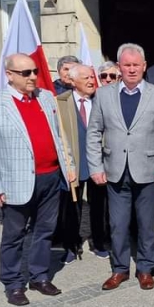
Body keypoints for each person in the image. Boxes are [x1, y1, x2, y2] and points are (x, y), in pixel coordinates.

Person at [0, 54, 76, 306]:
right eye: (25, 73)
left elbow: (59, 136)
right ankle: (13, 284)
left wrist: (69, 166)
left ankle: (39, 276)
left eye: (34, 71)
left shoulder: (46, 97)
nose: (32, 77)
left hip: (51, 177)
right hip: (16, 182)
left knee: (45, 231)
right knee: (14, 236)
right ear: (9, 75)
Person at [87, 43, 154, 291]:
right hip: (115, 171)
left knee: (146, 224)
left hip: (147, 170)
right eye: (127, 65)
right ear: (119, 67)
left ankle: (145, 269)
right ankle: (120, 269)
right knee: (118, 225)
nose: (132, 69)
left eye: (136, 65)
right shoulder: (104, 95)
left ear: (144, 66)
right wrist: (95, 167)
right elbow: (93, 133)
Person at [55, 64, 110, 262]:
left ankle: (99, 242)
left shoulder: (101, 100)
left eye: (92, 77)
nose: (91, 81)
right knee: (72, 207)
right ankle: (71, 246)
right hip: (74, 163)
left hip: (98, 163)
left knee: (99, 206)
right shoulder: (61, 102)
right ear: (72, 81)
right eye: (86, 77)